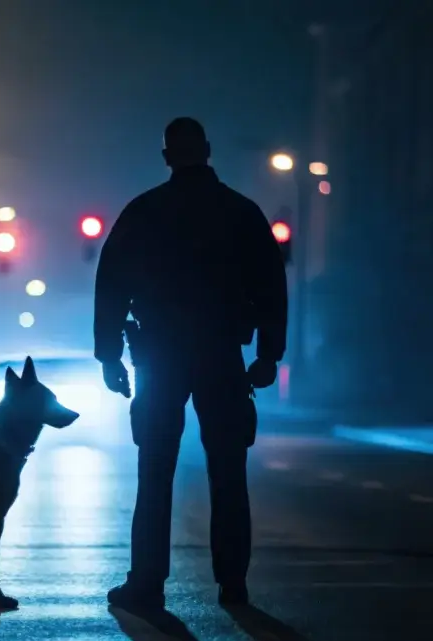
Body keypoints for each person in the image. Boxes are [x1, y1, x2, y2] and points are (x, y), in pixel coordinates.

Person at [94, 116, 288, 611]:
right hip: (220, 353)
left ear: (166, 157)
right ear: (207, 149)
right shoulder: (240, 212)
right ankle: (232, 582)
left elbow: (112, 284)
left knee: (154, 468)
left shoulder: (144, 211)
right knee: (228, 471)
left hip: (158, 355)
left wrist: (110, 355)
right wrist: (268, 354)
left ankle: (147, 582)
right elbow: (270, 286)